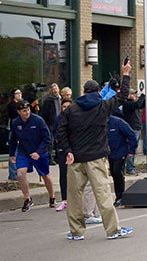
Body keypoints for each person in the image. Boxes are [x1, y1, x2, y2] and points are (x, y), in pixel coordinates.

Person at [56, 62, 134, 241]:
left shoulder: (71, 110)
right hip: (96, 157)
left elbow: (61, 131)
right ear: (98, 92)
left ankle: (76, 232)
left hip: (75, 158)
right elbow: (123, 96)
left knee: (74, 196)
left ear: (83, 92)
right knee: (103, 194)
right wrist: (126, 73)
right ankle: (112, 230)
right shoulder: (102, 107)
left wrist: (67, 150)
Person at [9, 100, 54, 211]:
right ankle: (27, 198)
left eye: (28, 110)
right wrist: (12, 154)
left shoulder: (38, 120)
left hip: (39, 153)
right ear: (19, 112)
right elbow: (13, 139)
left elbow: (47, 138)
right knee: (20, 173)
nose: (27, 113)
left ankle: (52, 196)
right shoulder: (15, 123)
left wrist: (38, 152)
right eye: (24, 111)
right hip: (24, 152)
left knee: (45, 176)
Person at [107, 114, 137, 206]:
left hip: (119, 152)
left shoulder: (117, 122)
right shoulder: (98, 122)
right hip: (106, 153)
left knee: (117, 172)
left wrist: (131, 150)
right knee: (113, 173)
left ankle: (120, 196)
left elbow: (131, 134)